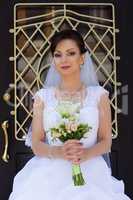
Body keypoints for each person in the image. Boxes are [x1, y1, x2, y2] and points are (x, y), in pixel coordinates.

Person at [9, 29, 131, 200]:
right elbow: (36, 143)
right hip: (49, 177)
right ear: (53, 60)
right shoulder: (42, 97)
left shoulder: (99, 96)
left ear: (82, 58)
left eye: (71, 53)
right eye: (58, 55)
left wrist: (86, 154)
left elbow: (106, 142)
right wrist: (59, 152)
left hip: (92, 173)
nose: (64, 60)